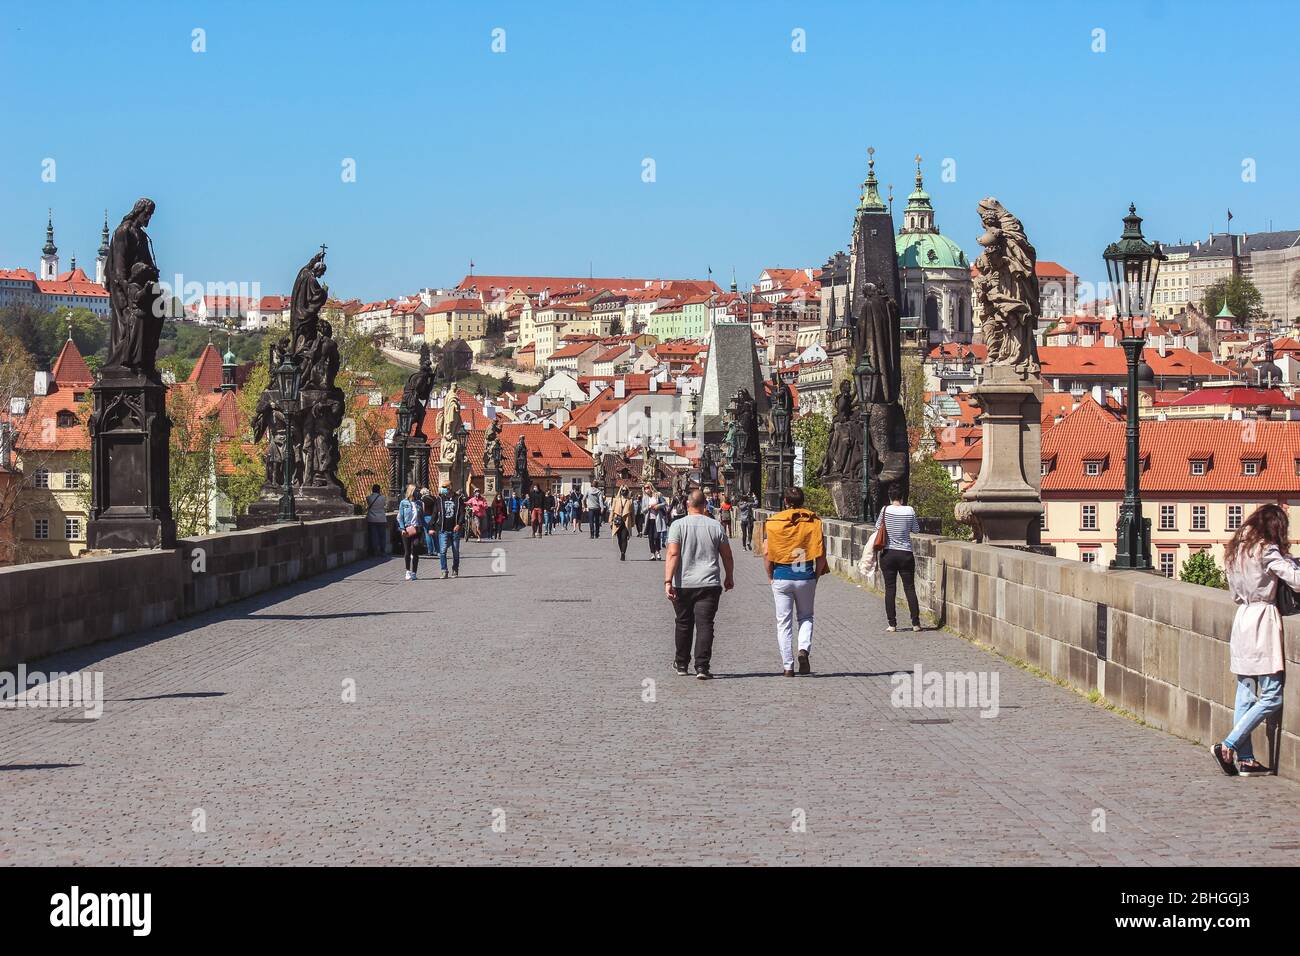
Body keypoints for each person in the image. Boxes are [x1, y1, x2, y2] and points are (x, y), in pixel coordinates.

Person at [1212, 504, 1300, 776]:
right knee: (1272, 696)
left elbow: (1235, 595)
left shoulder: (1236, 550)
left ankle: (1247, 760)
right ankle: (1228, 745)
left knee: (1246, 693)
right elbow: (1296, 580)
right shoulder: (1266, 549)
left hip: (1243, 620)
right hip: (1263, 624)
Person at [665, 489, 735, 679]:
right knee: (705, 625)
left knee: (683, 623)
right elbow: (727, 555)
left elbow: (672, 553)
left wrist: (668, 580)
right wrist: (729, 576)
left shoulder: (677, 526)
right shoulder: (715, 526)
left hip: (683, 583)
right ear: (705, 505)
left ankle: (681, 664)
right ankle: (702, 667)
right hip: (709, 583)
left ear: (688, 505)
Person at [763, 487, 828, 676]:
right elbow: (821, 553)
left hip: (782, 576)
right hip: (805, 575)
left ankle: (788, 667)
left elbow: (767, 553)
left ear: (785, 502)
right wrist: (816, 575)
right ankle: (803, 649)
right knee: (806, 617)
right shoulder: (813, 522)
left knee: (784, 623)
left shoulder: (774, 523)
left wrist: (770, 576)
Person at [878, 486, 922, 632]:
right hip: (905, 554)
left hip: (888, 553)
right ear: (902, 497)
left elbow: (878, 527)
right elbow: (916, 529)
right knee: (909, 588)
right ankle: (915, 623)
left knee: (890, 589)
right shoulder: (909, 510)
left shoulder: (885, 510)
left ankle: (892, 624)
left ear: (890, 497)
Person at [435, 484, 463, 579]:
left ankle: (455, 569)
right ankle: (444, 570)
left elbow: (462, 513)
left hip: (455, 529)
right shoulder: (439, 499)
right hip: (443, 529)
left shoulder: (458, 499)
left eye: (444, 487)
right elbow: (435, 512)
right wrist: (431, 526)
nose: (442, 489)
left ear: (449, 488)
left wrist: (459, 524)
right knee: (442, 551)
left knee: (455, 551)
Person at [396, 484, 422, 581]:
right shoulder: (403, 503)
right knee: (407, 551)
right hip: (406, 529)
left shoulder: (419, 503)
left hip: (417, 528)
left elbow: (421, 517)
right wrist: (402, 528)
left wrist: (428, 528)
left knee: (415, 548)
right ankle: (407, 571)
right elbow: (401, 517)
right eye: (415, 491)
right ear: (411, 491)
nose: (417, 492)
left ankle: (414, 572)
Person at [642, 485, 667, 559]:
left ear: (651, 488)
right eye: (645, 488)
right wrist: (648, 507)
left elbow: (664, 503)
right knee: (650, 537)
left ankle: (658, 552)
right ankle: (652, 553)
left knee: (656, 537)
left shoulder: (658, 495)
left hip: (657, 518)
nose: (646, 489)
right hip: (649, 520)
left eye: (647, 487)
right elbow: (643, 510)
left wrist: (657, 506)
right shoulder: (645, 498)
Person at [609, 486, 634, 560]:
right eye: (622, 490)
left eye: (625, 490)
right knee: (619, 538)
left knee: (624, 538)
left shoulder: (630, 501)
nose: (624, 492)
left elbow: (633, 512)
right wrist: (610, 520)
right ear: (620, 491)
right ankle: (621, 551)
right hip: (618, 520)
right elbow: (612, 510)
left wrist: (633, 522)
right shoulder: (616, 500)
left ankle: (623, 553)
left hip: (626, 521)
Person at [364, 483, 388, 557]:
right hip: (381, 518)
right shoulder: (383, 498)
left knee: (374, 536)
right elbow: (384, 505)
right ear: (379, 490)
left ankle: (375, 551)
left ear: (372, 489)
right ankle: (382, 550)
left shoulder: (369, 498)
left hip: (372, 518)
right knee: (382, 536)